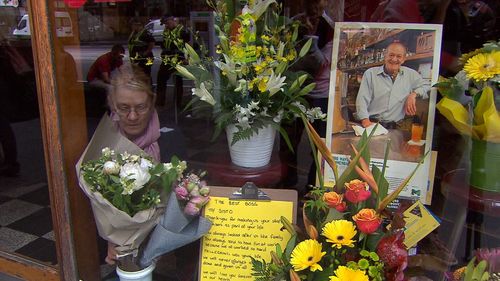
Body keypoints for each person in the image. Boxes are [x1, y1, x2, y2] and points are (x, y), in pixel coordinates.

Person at [104, 66, 160, 264]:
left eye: (141, 107)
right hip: (119, 249)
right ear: (112, 104)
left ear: (152, 102)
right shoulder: (103, 144)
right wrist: (112, 238)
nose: (133, 116)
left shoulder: (172, 141)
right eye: (124, 108)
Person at [355, 41, 429, 128]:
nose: (394, 59)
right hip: (371, 124)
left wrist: (413, 94)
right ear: (385, 55)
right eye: (391, 55)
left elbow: (428, 86)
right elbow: (362, 100)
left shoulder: (411, 75)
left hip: (396, 128)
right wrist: (365, 121)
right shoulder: (370, 74)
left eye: (399, 56)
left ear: (404, 59)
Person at [156, 15, 189, 107]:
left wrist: (187, 58)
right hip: (167, 59)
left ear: (172, 20)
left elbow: (190, 45)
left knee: (178, 81)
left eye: (167, 23)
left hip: (178, 59)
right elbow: (164, 43)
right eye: (165, 24)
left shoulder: (182, 31)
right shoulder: (166, 30)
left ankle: (178, 103)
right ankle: (160, 101)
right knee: (161, 79)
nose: (166, 25)